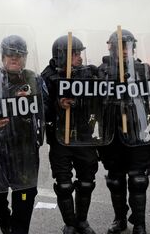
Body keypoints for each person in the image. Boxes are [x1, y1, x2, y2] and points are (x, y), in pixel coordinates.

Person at [0, 35, 47, 234]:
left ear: (25, 57)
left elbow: (49, 110)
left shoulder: (34, 79)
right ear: (2, 55)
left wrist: (33, 100)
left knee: (24, 199)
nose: (14, 58)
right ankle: (6, 225)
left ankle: (18, 230)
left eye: (18, 55)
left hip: (25, 152)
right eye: (9, 54)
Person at [98, 29, 150, 234]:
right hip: (113, 135)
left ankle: (139, 224)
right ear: (111, 47)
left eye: (128, 46)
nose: (124, 51)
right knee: (116, 179)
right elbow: (94, 102)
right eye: (120, 47)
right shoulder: (101, 71)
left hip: (138, 134)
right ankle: (120, 219)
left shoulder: (144, 71)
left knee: (138, 179)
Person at [40, 35, 99, 234]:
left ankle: (82, 221)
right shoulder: (47, 77)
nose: (79, 57)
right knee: (64, 185)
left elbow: (100, 103)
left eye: (80, 53)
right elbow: (41, 111)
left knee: (86, 182)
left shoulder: (88, 74)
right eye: (74, 53)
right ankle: (70, 223)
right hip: (60, 139)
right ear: (62, 55)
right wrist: (58, 105)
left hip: (84, 137)